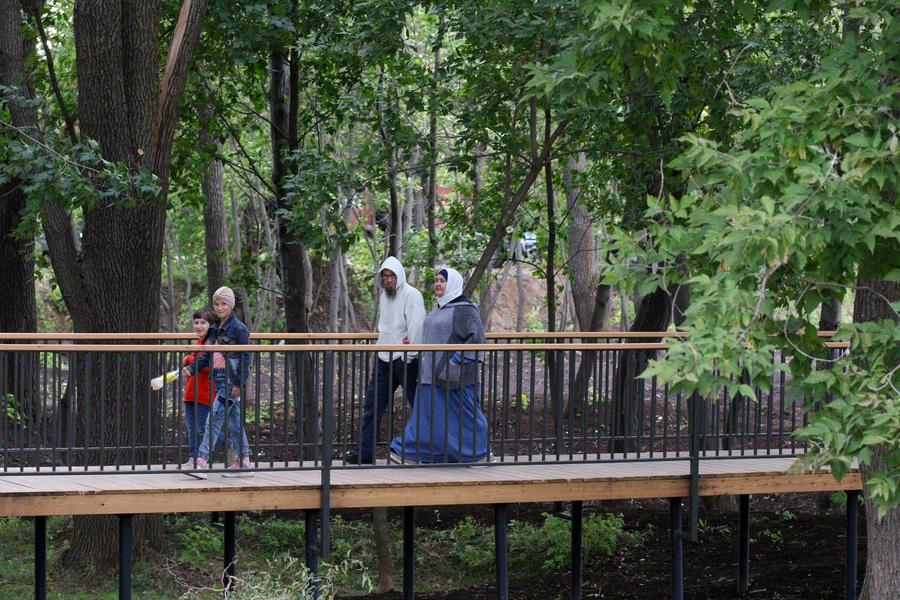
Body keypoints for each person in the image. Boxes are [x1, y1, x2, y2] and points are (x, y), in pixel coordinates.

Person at [390, 267, 489, 464]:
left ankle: (478, 453)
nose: (438, 283)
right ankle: (416, 453)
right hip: (430, 375)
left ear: (452, 283)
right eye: (436, 280)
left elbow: (476, 340)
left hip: (455, 377)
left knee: (465, 418)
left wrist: (455, 364)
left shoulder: (464, 308)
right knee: (428, 419)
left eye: (442, 280)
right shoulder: (439, 307)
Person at [350, 256, 426, 464]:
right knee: (372, 406)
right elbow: (387, 327)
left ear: (399, 275)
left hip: (405, 359)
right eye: (385, 276)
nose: (388, 280)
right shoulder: (384, 296)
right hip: (384, 358)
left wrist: (410, 355)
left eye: (392, 275)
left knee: (419, 405)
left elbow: (417, 328)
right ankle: (365, 454)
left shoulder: (412, 295)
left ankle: (427, 449)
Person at [183, 286, 253, 477]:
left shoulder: (239, 328)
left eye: (224, 303)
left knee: (213, 420)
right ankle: (244, 462)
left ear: (231, 305)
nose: (220, 307)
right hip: (219, 380)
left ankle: (201, 461)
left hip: (231, 382)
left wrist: (239, 384)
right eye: (216, 304)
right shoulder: (214, 329)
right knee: (234, 424)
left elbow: (246, 357)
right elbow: (207, 355)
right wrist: (192, 368)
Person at [180, 307, 218, 469]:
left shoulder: (212, 343)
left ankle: (234, 444)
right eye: (196, 322)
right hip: (191, 392)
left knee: (203, 428)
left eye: (203, 323)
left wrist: (188, 359)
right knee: (191, 429)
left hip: (204, 393)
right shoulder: (199, 342)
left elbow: (210, 365)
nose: (199, 326)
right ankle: (193, 458)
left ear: (211, 325)